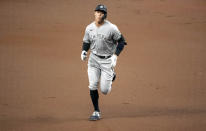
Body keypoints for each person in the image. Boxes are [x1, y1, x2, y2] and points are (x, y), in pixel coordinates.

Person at [81, 4, 127, 121]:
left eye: (102, 13)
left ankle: (112, 75)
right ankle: (96, 111)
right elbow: (86, 41)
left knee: (105, 90)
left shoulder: (112, 28)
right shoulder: (89, 28)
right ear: (94, 13)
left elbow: (122, 42)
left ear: (105, 15)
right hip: (94, 59)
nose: (99, 14)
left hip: (107, 61)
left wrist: (115, 56)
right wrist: (84, 51)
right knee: (92, 85)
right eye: (97, 12)